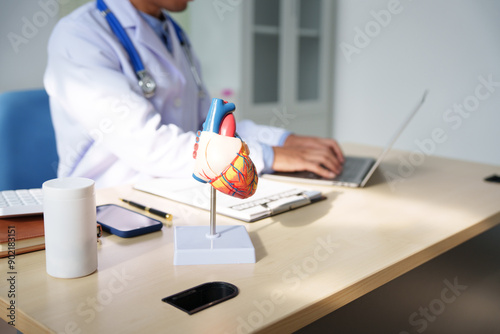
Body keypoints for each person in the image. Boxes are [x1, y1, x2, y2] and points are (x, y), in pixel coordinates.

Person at [44, 0, 344, 188]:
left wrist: (284, 140)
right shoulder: (79, 36)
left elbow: (208, 125)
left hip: (178, 186)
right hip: (110, 206)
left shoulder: (175, 35)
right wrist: (269, 156)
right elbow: (151, 145)